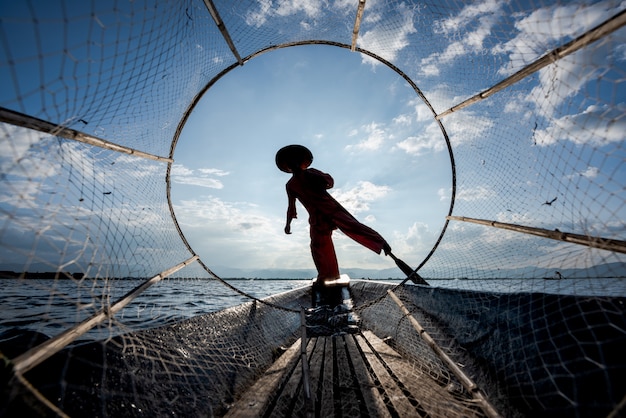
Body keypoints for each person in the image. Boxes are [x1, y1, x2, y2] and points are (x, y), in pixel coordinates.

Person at [276, 144, 391, 298]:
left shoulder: (311, 173)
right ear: (288, 166)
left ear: (300, 162)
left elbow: (329, 182)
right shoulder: (290, 185)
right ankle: (328, 275)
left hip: (331, 209)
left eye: (295, 161)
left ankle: (381, 243)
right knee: (318, 246)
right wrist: (288, 223)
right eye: (290, 163)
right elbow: (291, 206)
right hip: (316, 218)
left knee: (353, 227)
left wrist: (318, 178)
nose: (293, 165)